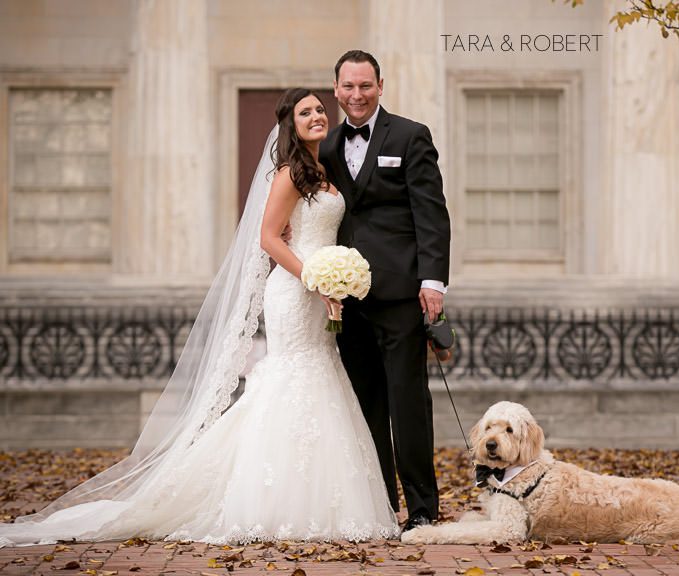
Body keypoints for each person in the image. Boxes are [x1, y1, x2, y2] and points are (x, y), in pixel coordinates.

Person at [0, 88, 399, 546]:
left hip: (321, 292)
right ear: (290, 123)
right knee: (292, 376)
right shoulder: (289, 174)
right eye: (305, 112)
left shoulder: (324, 171)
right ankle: (267, 500)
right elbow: (269, 239)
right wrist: (313, 276)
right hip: (293, 289)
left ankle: (325, 500)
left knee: (321, 374)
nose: (316, 116)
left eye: (318, 110)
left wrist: (335, 284)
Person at [319, 50, 452, 532]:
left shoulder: (411, 136)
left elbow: (431, 214)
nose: (357, 95)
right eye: (348, 87)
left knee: (407, 401)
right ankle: (378, 503)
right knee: (365, 402)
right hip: (347, 298)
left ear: (380, 86)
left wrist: (432, 282)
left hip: (400, 294)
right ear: (336, 89)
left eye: (366, 86)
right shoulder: (328, 145)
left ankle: (421, 507)